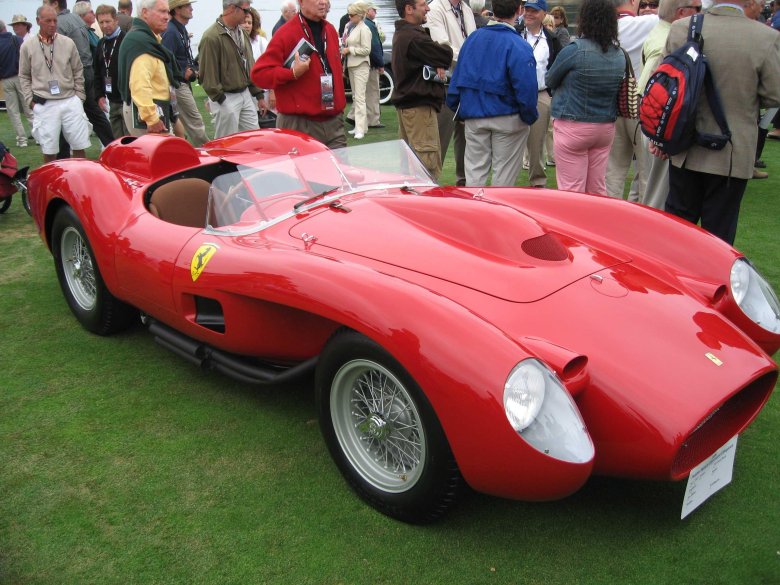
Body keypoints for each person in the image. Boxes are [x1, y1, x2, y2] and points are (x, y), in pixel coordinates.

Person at [652, 0, 780, 244]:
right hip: (732, 151)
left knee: (677, 231)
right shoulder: (765, 37)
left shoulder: (682, 27)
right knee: (719, 237)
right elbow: (774, 95)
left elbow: (663, 84)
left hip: (684, 144)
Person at [446, 0, 538, 186]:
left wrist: (460, 108)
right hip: (507, 116)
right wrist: (528, 116)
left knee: (474, 176)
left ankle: (474, 205)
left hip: (475, 115)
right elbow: (526, 89)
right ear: (519, 10)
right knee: (503, 180)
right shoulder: (518, 45)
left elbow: (457, 80)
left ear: (493, 9)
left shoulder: (472, 40)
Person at [545, 0, 625, 195]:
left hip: (573, 125)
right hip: (604, 127)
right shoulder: (619, 54)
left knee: (571, 191)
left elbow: (550, 79)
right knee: (596, 190)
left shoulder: (574, 50)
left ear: (584, 19)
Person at [252, 0, 348, 149]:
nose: (323, 2)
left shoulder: (330, 30)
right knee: (306, 166)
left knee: (340, 164)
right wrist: (292, 73)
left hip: (333, 121)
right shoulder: (286, 33)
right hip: (300, 124)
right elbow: (259, 74)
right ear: (301, 2)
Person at [636, 0, 702, 209]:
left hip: (655, 123)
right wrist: (661, 136)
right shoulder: (670, 38)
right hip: (660, 125)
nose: (702, 14)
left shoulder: (663, 33)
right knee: (657, 199)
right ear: (681, 12)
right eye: (698, 9)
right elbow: (649, 87)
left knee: (645, 190)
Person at [19, 5, 91, 163]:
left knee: (79, 145)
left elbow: (78, 70)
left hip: (70, 100)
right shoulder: (28, 46)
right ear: (38, 21)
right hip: (44, 103)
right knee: (49, 149)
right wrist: (30, 101)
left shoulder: (67, 43)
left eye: (55, 20)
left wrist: (79, 97)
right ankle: (50, 178)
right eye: (48, 21)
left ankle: (80, 176)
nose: (52, 24)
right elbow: (23, 75)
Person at [391, 0, 454, 179]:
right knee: (426, 166)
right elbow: (446, 54)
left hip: (409, 109)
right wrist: (438, 57)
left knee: (410, 167)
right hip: (419, 110)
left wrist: (434, 60)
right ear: (409, 9)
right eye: (422, 5)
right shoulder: (414, 37)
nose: (428, 8)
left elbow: (437, 55)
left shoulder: (403, 34)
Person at [44, 0, 115, 155]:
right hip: (87, 71)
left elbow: (55, 55)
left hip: (73, 75)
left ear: (54, 4)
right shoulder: (75, 19)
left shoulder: (59, 24)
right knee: (95, 114)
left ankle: (64, 157)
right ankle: (114, 147)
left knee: (64, 114)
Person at [603, 0, 657, 201]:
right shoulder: (650, 23)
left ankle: (609, 215)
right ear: (633, 2)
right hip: (641, 104)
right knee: (646, 172)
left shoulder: (601, 27)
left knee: (613, 172)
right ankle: (645, 215)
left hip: (611, 105)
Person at [425, 0, 476, 186]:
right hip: (446, 83)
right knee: (439, 139)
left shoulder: (466, 9)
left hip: (466, 82)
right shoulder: (435, 8)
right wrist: (473, 58)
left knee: (468, 139)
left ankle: (464, 185)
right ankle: (429, 185)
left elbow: (472, 40)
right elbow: (442, 46)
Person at [199, 0, 265, 139]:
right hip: (225, 97)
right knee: (227, 143)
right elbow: (207, 74)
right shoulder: (211, 37)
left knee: (254, 139)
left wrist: (258, 95)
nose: (248, 14)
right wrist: (221, 99)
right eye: (245, 10)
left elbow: (249, 65)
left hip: (245, 94)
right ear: (231, 8)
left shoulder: (242, 33)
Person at [118, 0, 180, 136]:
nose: (167, 17)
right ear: (145, 12)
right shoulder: (140, 42)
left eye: (167, 12)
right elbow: (139, 85)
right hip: (147, 114)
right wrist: (151, 119)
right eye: (162, 11)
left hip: (153, 109)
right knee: (160, 151)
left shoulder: (147, 39)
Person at [519, 0, 561, 188]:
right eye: (526, 9)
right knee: (509, 139)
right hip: (514, 94)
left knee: (537, 142)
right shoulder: (515, 33)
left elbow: (557, 66)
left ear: (544, 14)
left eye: (534, 11)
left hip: (540, 94)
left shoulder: (552, 39)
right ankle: (504, 184)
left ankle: (537, 183)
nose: (528, 13)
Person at [162, 0, 209, 146]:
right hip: (177, 84)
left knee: (181, 123)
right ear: (177, 10)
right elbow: (164, 61)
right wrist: (182, 73)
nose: (191, 8)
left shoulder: (179, 29)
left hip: (180, 84)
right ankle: (207, 151)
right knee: (195, 123)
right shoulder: (171, 32)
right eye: (188, 5)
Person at [345, 2, 386, 129]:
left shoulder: (352, 25)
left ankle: (354, 116)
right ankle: (372, 120)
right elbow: (374, 47)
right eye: (374, 10)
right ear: (366, 11)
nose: (376, 12)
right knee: (372, 92)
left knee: (360, 93)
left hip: (355, 63)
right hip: (369, 64)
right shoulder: (368, 25)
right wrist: (380, 64)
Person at [94, 4, 129, 138]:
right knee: (117, 140)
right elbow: (97, 71)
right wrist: (99, 95)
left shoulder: (126, 40)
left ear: (116, 20)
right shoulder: (101, 43)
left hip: (127, 100)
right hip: (111, 101)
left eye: (108, 21)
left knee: (130, 140)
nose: (104, 25)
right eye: (101, 22)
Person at [0, 19, 33, 148]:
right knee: (28, 107)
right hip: (20, 77)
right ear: (5, 28)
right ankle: (38, 136)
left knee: (13, 111)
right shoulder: (17, 40)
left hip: (6, 80)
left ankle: (22, 140)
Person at [341, 3, 372, 139]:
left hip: (361, 65)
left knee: (359, 98)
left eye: (352, 15)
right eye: (349, 15)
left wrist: (350, 50)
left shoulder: (364, 29)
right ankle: (361, 126)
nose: (349, 17)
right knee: (355, 97)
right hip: (352, 65)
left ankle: (360, 129)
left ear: (359, 15)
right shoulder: (353, 27)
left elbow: (367, 50)